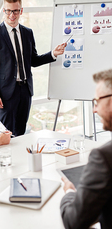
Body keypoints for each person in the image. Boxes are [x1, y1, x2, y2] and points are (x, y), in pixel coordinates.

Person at [0, 0, 66, 136]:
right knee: (5, 134)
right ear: (4, 11)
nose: (11, 15)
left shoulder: (28, 33)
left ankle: (20, 159)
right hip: (5, 93)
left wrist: (53, 54)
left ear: (21, 11)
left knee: (21, 133)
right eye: (8, 11)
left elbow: (33, 60)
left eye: (15, 11)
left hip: (25, 91)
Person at [60, 69, 112, 229]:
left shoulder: (104, 156)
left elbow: (74, 221)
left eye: (96, 102)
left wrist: (69, 193)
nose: (94, 109)